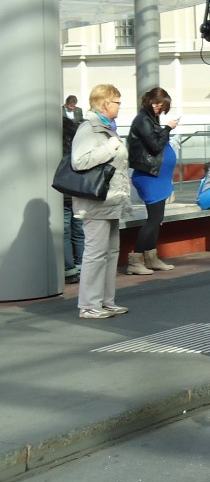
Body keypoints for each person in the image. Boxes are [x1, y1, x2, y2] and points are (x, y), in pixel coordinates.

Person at [71, 84, 134, 320]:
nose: (120, 106)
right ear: (105, 103)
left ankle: (105, 302)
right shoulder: (90, 129)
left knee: (110, 252)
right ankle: (89, 304)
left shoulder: (106, 128)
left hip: (111, 201)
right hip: (97, 202)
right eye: (117, 101)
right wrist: (110, 147)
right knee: (96, 253)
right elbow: (80, 161)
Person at [126, 87, 180, 275]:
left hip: (158, 177)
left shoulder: (150, 119)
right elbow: (156, 146)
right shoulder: (142, 120)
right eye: (157, 103)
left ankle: (151, 257)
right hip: (150, 177)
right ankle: (135, 260)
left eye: (162, 105)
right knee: (154, 218)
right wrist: (168, 128)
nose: (158, 108)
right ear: (148, 101)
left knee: (157, 219)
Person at [61, 101, 85, 284]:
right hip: (77, 190)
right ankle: (82, 265)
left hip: (61, 192)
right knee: (78, 229)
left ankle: (69, 269)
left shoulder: (54, 149)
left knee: (64, 230)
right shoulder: (76, 144)